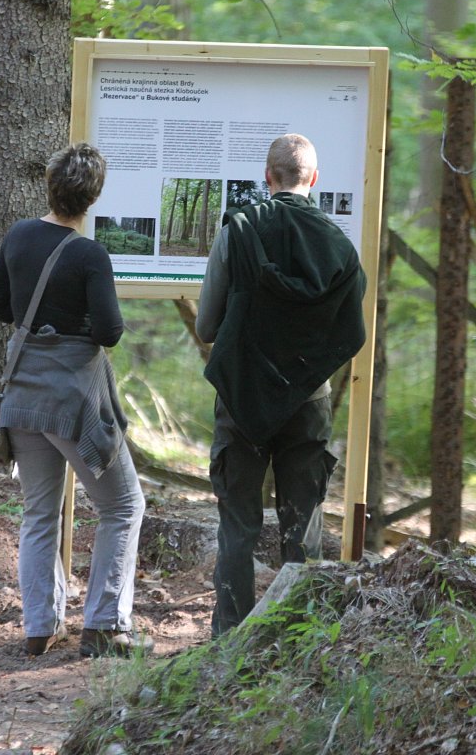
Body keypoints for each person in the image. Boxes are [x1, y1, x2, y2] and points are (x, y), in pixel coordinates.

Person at [0, 143, 150, 658]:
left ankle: (40, 627)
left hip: (23, 395)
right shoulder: (89, 254)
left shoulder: (18, 235)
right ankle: (103, 625)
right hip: (73, 402)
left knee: (39, 513)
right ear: (92, 197)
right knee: (123, 506)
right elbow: (109, 331)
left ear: (50, 186)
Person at [196, 133, 367, 636]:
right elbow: (349, 332)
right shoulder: (339, 245)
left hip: (242, 400)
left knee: (239, 528)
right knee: (304, 528)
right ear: (313, 180)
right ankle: (298, 643)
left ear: (267, 178)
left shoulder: (239, 230)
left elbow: (207, 326)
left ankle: (229, 642)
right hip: (308, 401)